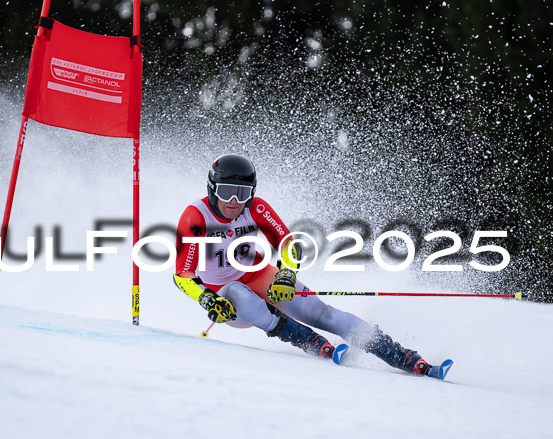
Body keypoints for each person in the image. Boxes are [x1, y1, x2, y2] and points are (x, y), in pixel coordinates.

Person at [173, 154, 439, 375]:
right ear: (212, 189)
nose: (234, 202)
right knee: (239, 293)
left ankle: (397, 354)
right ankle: (308, 340)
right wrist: (208, 300)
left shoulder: (255, 208)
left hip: (256, 274)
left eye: (242, 194)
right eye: (227, 192)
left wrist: (287, 275)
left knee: (320, 311)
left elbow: (289, 244)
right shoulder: (196, 217)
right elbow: (182, 275)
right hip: (225, 297)